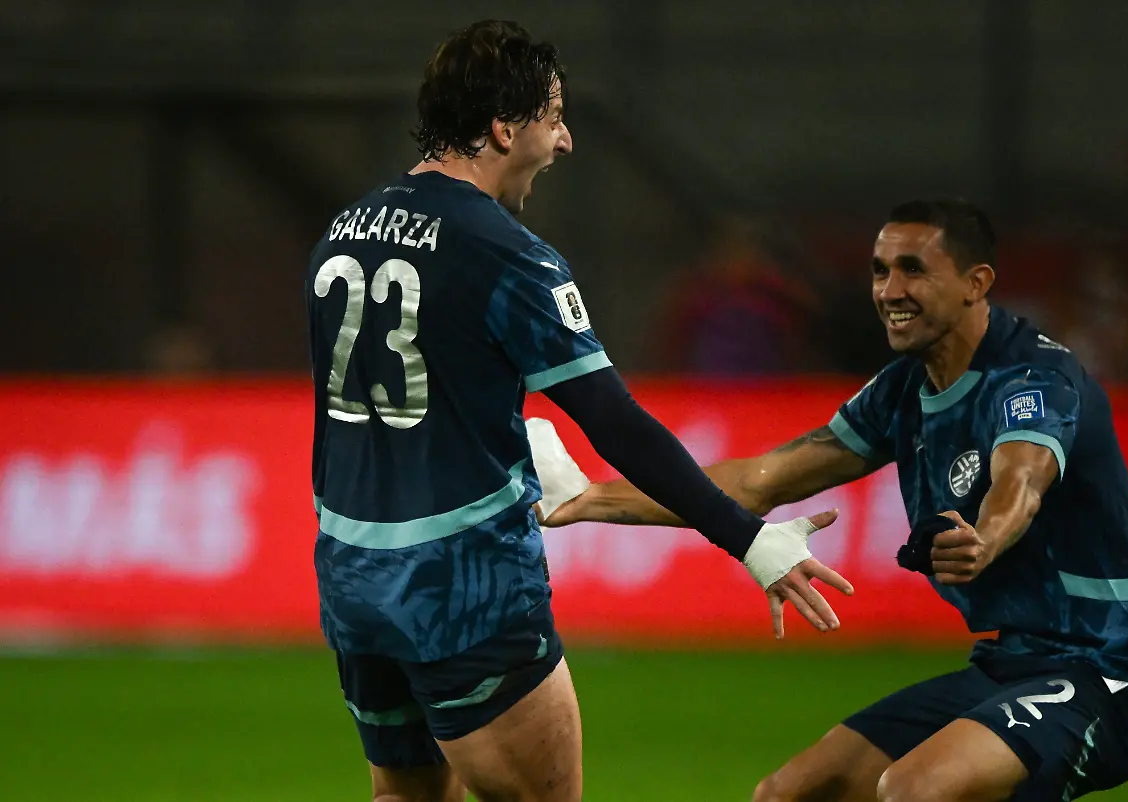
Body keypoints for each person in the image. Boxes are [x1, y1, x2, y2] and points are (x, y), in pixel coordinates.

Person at [304, 20, 850, 802]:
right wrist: (749, 540)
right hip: (462, 586)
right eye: (553, 116)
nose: (565, 141)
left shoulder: (342, 233)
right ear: (503, 127)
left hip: (353, 579)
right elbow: (616, 424)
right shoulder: (509, 254)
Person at [537, 198, 1128, 802]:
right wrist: (594, 499)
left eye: (913, 270)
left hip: (1106, 673)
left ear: (977, 283)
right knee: (793, 793)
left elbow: (1021, 481)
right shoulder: (903, 392)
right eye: (879, 270)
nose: (889, 291)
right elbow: (759, 482)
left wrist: (987, 535)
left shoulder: (1034, 379)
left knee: (917, 790)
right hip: (1010, 665)